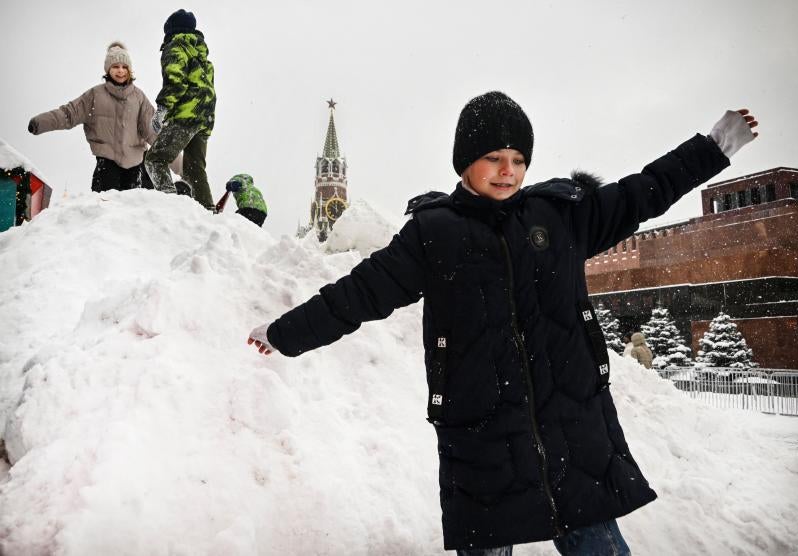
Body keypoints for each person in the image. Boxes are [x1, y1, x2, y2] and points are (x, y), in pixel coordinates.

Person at [246, 92, 758, 554]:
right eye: (493, 157)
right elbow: (358, 294)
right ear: (465, 161)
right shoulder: (434, 233)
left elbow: (642, 192)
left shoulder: (560, 217)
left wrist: (712, 148)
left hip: (573, 431)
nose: (507, 170)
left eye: (517, 159)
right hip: (482, 438)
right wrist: (285, 333)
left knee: (598, 544)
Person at [28, 42, 158, 192]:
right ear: (108, 70)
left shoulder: (139, 97)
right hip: (107, 163)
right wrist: (40, 123)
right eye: (115, 66)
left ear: (130, 70)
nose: (120, 71)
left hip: (135, 167)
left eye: (124, 67)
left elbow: (154, 132)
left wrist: (181, 165)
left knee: (132, 210)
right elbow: (69, 114)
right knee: (106, 206)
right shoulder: (95, 95)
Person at [145, 9, 216, 211]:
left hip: (186, 116)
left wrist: (162, 110)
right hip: (204, 118)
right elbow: (208, 91)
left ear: (169, 31)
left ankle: (171, 206)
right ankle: (207, 211)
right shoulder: (202, 56)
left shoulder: (175, 47)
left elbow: (176, 83)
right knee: (194, 169)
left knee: (155, 159)